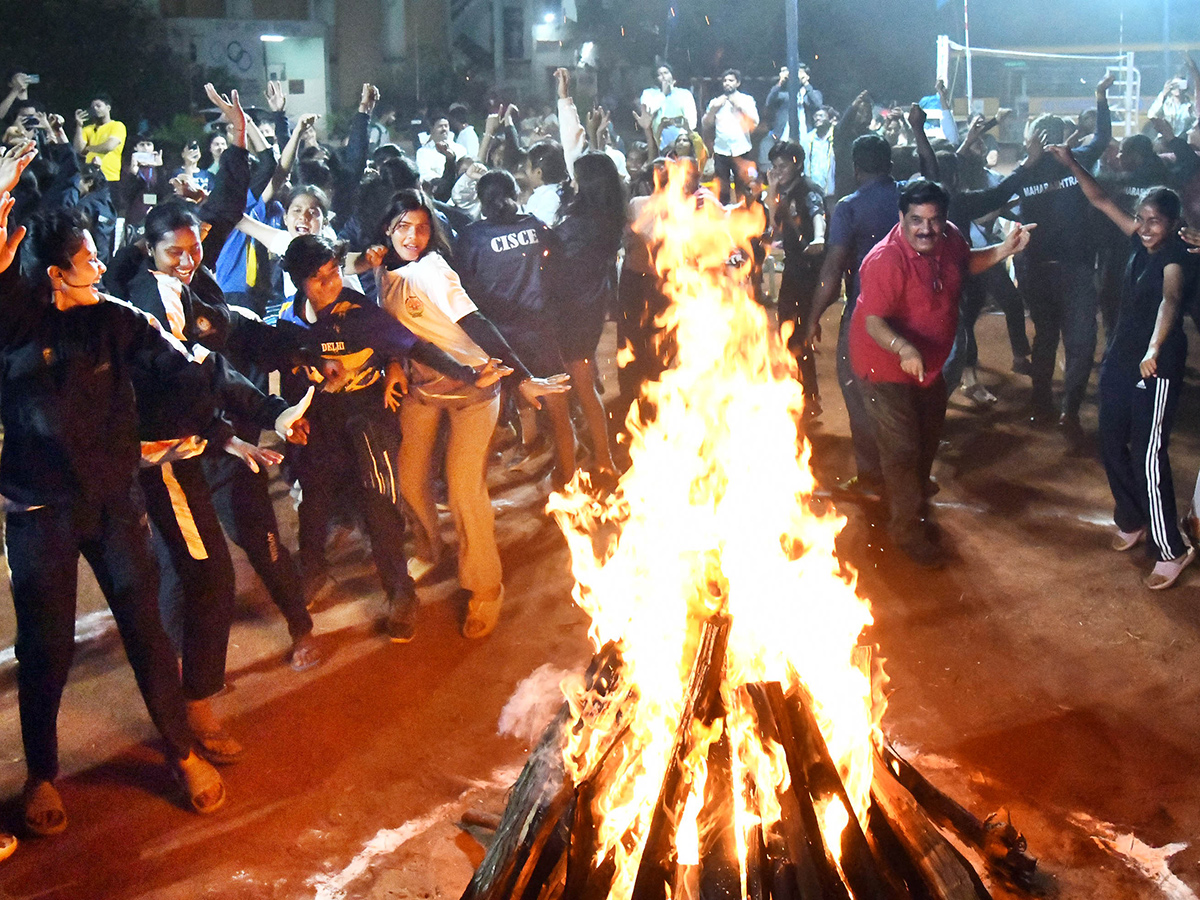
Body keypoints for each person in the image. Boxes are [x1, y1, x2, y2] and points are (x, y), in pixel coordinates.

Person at [0, 147, 228, 833]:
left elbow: (181, 363)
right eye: (89, 260)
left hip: (113, 503)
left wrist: (235, 410)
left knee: (148, 631)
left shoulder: (115, 316)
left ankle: (181, 752)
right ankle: (42, 774)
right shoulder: (16, 321)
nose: (102, 269)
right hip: (40, 510)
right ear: (53, 271)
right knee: (47, 647)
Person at [376, 190, 570, 638]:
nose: (413, 236)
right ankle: (429, 546)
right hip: (423, 389)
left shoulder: (434, 269)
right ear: (387, 228)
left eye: (422, 227)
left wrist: (521, 375)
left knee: (464, 488)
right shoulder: (381, 269)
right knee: (407, 476)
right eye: (403, 226)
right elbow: (386, 327)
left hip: (475, 386)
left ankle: (486, 587)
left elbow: (475, 322)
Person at [849, 179, 1033, 567]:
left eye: (934, 219)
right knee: (902, 448)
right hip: (883, 365)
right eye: (916, 220)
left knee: (927, 439)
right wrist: (904, 348)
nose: (926, 229)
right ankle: (906, 531)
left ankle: (909, 497)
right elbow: (872, 322)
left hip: (929, 365)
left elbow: (964, 263)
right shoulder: (885, 260)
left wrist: (1003, 250)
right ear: (902, 218)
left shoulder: (948, 237)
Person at [1051, 146, 1199, 588]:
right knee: (1111, 440)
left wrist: (1153, 349)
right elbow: (1100, 200)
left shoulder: (1178, 257)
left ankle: (1172, 550)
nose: (1145, 226)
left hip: (1158, 364)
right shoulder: (1139, 237)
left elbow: (1169, 302)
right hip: (1121, 357)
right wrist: (1073, 163)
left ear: (1173, 223)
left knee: (1149, 456)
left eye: (1155, 220)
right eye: (1143, 218)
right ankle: (1132, 518)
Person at [806, 134, 899, 500]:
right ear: (890, 164)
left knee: (858, 390)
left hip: (866, 313)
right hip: (911, 312)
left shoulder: (850, 207)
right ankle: (909, 472)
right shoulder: (911, 196)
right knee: (906, 394)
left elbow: (833, 267)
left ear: (856, 168)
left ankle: (873, 475)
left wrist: (814, 315)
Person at [766, 141, 826, 417]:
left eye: (783, 165)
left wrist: (819, 238)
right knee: (788, 329)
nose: (778, 170)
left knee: (797, 331)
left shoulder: (808, 191)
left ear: (798, 164)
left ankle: (810, 395)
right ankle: (801, 389)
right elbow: (771, 225)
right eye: (774, 166)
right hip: (793, 266)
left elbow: (817, 215)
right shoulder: (782, 192)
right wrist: (772, 190)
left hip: (808, 269)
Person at [702, 69, 759, 205]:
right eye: (725, 81)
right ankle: (725, 215)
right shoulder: (715, 102)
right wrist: (713, 109)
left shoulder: (746, 99)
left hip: (742, 149)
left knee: (743, 186)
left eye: (731, 80)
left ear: (737, 83)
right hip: (722, 151)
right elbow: (706, 124)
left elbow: (755, 122)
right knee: (723, 188)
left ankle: (744, 213)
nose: (727, 83)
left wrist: (739, 107)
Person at [638, 63, 698, 150]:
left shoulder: (684, 94)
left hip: (680, 144)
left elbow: (692, 121)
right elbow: (648, 113)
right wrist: (663, 94)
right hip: (656, 143)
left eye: (666, 73)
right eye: (659, 74)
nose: (663, 76)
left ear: (672, 76)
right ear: (655, 79)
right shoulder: (648, 94)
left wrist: (682, 138)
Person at [72, 92, 126, 183]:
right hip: (90, 178)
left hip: (109, 177)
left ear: (108, 108)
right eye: (92, 107)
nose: (95, 109)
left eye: (98, 106)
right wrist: (79, 125)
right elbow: (79, 150)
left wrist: (88, 148)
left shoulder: (117, 125)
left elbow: (109, 146)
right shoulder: (87, 129)